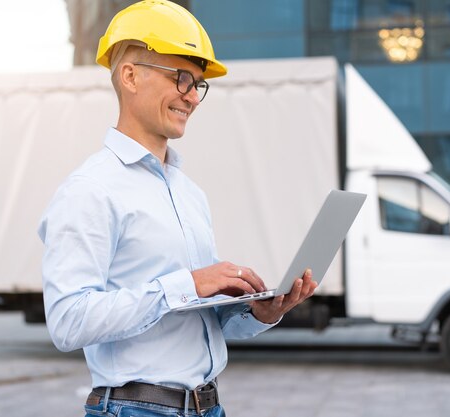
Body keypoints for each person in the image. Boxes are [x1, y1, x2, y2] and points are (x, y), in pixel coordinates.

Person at [38, 1, 317, 416]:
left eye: (198, 84)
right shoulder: (90, 190)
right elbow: (67, 321)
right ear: (130, 76)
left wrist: (259, 313)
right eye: (181, 79)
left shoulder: (189, 193)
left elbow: (195, 318)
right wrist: (186, 283)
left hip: (207, 406)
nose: (193, 97)